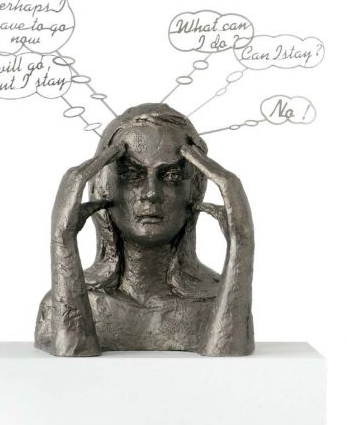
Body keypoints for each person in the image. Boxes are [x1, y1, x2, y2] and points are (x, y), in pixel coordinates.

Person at [35, 103, 254, 356]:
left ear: (194, 190)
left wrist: (242, 245)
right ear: (103, 186)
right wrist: (62, 242)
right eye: (131, 174)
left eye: (171, 176)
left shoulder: (217, 301)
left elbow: (228, 367)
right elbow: (72, 360)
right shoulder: (59, 303)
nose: (151, 193)